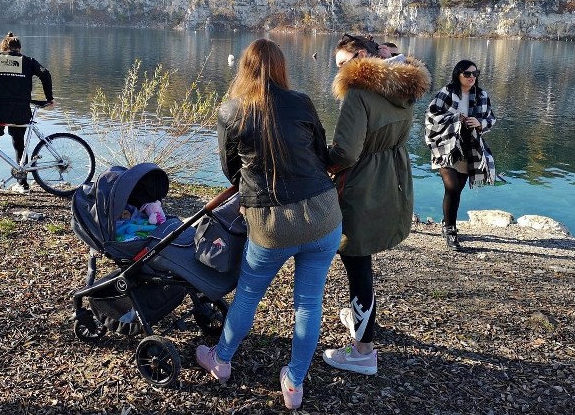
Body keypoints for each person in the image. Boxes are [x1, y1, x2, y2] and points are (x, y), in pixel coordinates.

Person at [196, 38, 342, 410]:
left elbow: (231, 170)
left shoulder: (231, 111)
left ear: (244, 67)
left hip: (271, 225)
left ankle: (222, 361)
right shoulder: (302, 102)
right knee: (309, 304)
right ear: (281, 67)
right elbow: (322, 154)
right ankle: (293, 384)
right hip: (324, 216)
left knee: (247, 295)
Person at [323, 33, 431, 375]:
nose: (339, 72)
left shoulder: (358, 92)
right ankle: (361, 318)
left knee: (355, 259)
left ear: (361, 59)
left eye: (343, 64)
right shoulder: (402, 84)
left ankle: (363, 350)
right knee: (363, 259)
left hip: (361, 184)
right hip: (392, 178)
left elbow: (345, 153)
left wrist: (320, 161)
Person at [0, 32, 54, 196]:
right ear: (19, 49)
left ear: (3, 47)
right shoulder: (27, 61)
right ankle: (23, 183)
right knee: (19, 143)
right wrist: (49, 98)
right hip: (20, 110)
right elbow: (45, 74)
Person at [424, 59, 496, 251]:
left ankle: (447, 223)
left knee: (457, 190)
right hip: (446, 146)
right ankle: (450, 230)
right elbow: (431, 116)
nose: (472, 77)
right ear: (458, 74)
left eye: (475, 73)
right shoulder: (446, 93)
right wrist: (455, 118)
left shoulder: (481, 95)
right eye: (467, 73)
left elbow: (491, 118)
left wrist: (480, 124)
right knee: (452, 186)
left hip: (469, 148)